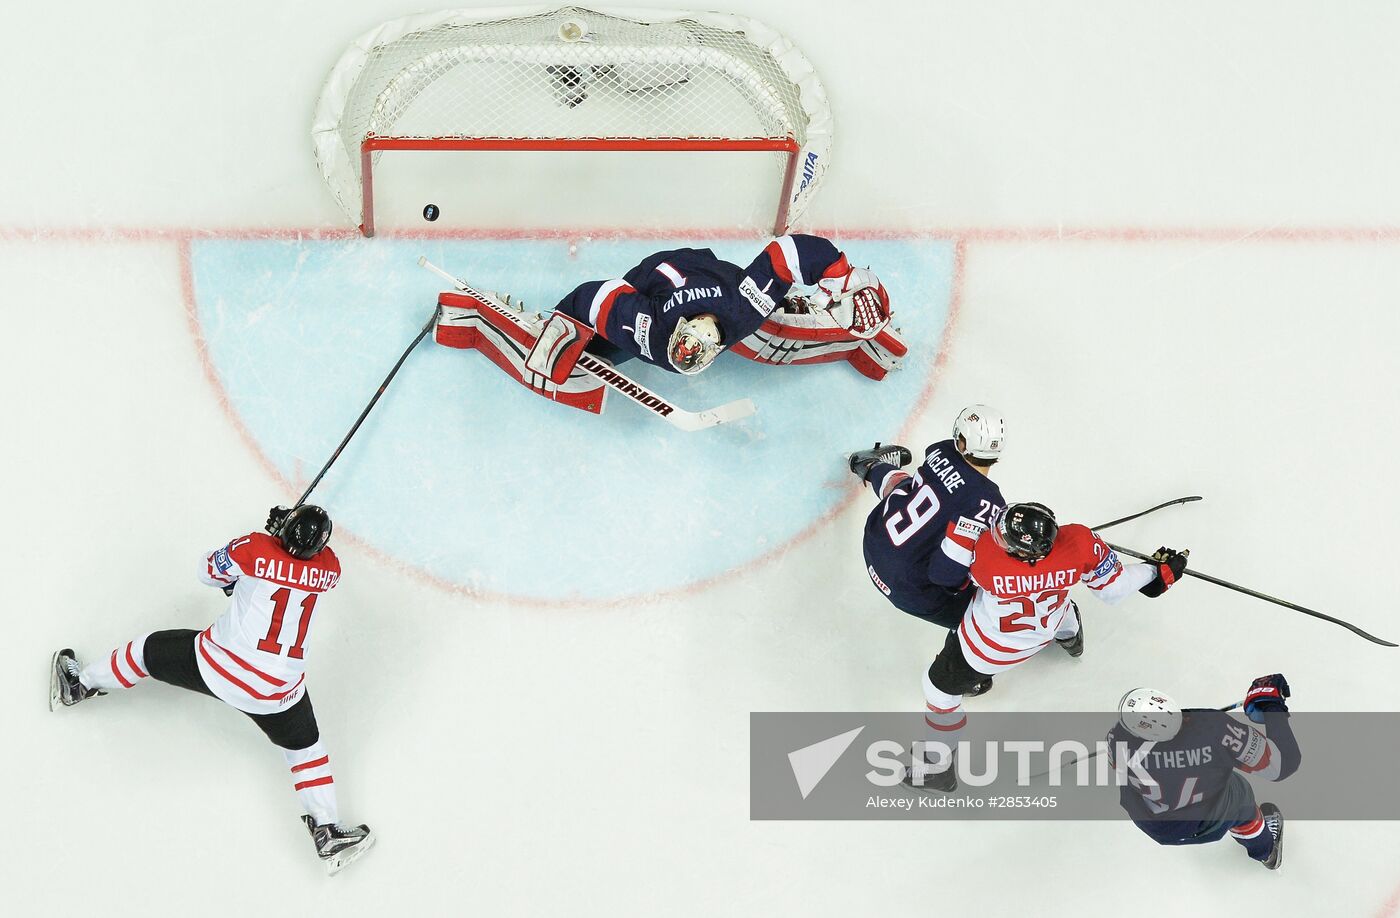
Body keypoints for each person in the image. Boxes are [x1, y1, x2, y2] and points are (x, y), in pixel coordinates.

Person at [49, 505, 374, 875]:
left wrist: (265, 541)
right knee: (306, 752)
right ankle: (327, 830)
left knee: (147, 651)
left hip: (218, 667)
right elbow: (298, 564)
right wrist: (276, 543)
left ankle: (79, 684)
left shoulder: (254, 548)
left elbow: (208, 572)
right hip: (277, 692)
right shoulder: (329, 569)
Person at [907, 502, 1189, 791]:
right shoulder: (1079, 541)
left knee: (938, 690)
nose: (997, 535)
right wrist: (1156, 572)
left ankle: (937, 768)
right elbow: (1114, 590)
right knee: (1060, 606)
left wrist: (960, 533)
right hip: (1047, 624)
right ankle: (1070, 637)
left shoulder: (986, 558)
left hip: (988, 649)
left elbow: (946, 578)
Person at [547, 233, 905, 378]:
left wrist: (836, 277)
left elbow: (788, 251)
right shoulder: (652, 330)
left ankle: (851, 344)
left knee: (770, 335)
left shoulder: (746, 305)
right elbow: (594, 297)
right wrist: (560, 325)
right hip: (653, 277)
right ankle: (598, 347)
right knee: (768, 336)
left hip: (706, 270)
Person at [849, 405, 1007, 694]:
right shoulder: (989, 504)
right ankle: (962, 673)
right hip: (906, 588)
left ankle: (869, 466)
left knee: (911, 488)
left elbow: (953, 485)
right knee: (983, 611)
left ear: (961, 442)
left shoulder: (941, 451)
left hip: (875, 539)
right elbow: (945, 575)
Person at [1107, 676, 1299, 870]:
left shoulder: (1115, 738)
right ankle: (1266, 851)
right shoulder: (1215, 728)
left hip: (1152, 825)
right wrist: (1271, 707)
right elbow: (1281, 766)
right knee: (1240, 794)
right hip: (1203, 823)